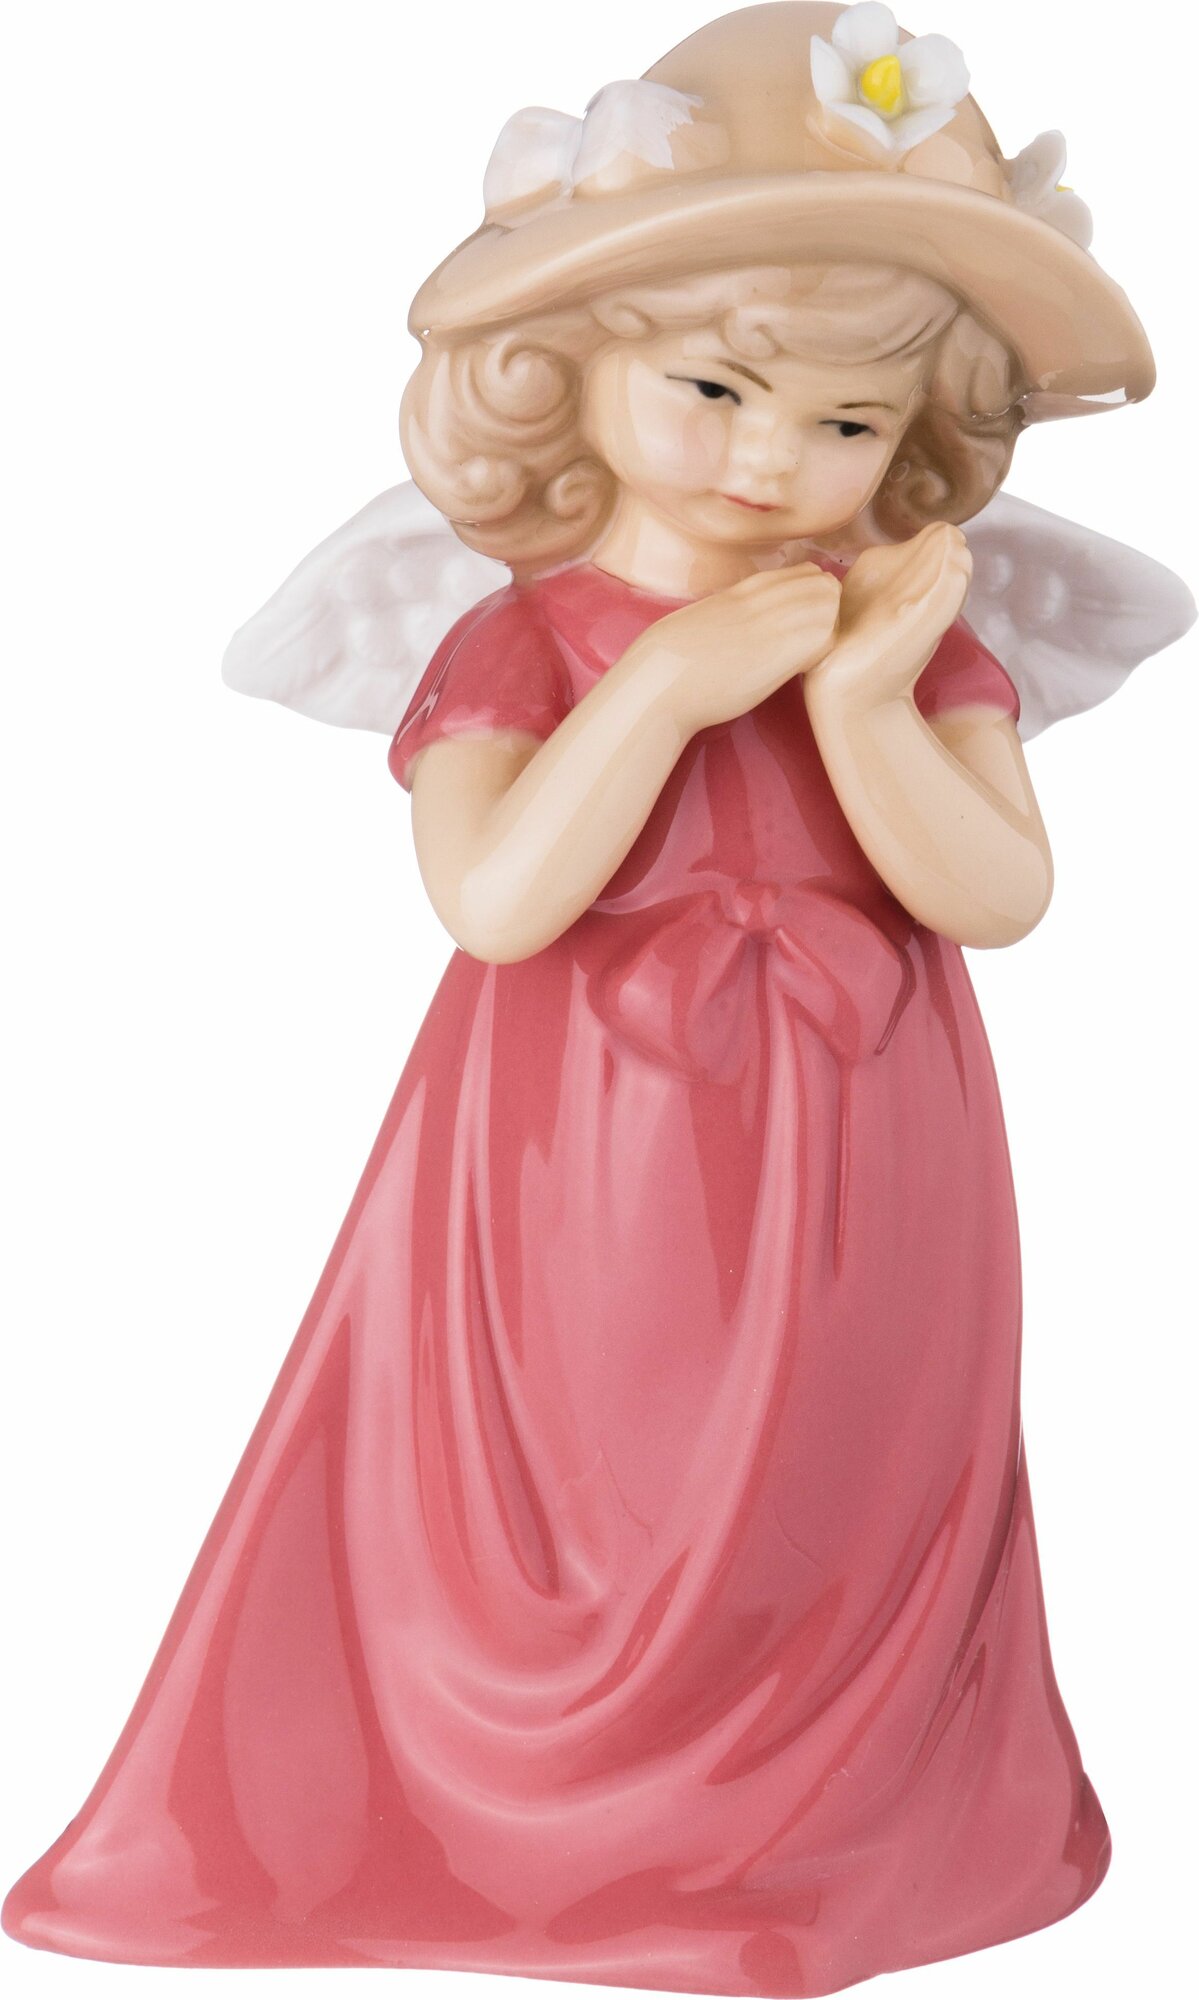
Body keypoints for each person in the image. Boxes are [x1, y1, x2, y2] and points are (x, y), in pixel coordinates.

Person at [4, 6, 1190, 1993]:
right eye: (714, 390)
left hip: (876, 1130)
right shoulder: (527, 635)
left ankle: (826, 1832)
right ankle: (559, 1836)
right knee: (594, 1482)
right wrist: (662, 685)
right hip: (589, 1135)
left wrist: (862, 698)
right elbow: (494, 898)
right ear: (574, 370)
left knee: (852, 1468)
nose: (773, 461)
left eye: (846, 427)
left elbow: (1001, 894)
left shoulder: (907, 632)